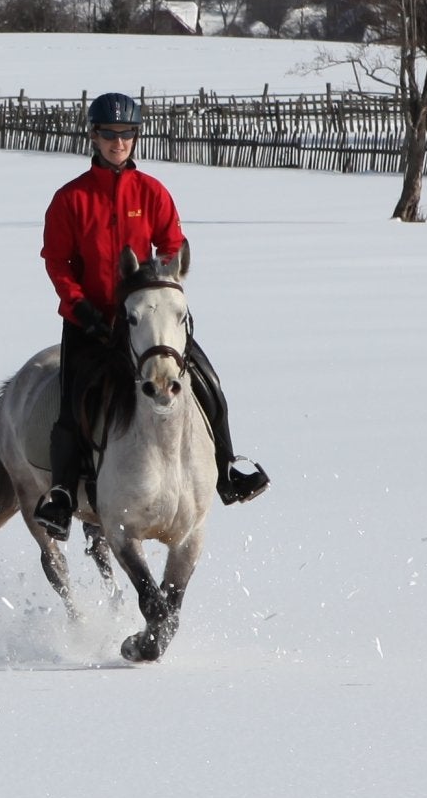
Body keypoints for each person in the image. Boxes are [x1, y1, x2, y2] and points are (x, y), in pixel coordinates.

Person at [33, 93, 267, 534]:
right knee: (71, 404)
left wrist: (159, 281)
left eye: (125, 135)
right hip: (90, 321)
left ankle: (228, 468)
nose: (117, 143)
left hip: (148, 321)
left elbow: (172, 242)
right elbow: (57, 261)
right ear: (94, 136)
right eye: (108, 135)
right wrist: (80, 306)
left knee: (207, 381)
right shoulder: (71, 198)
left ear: (136, 137)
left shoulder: (152, 192)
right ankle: (63, 494)